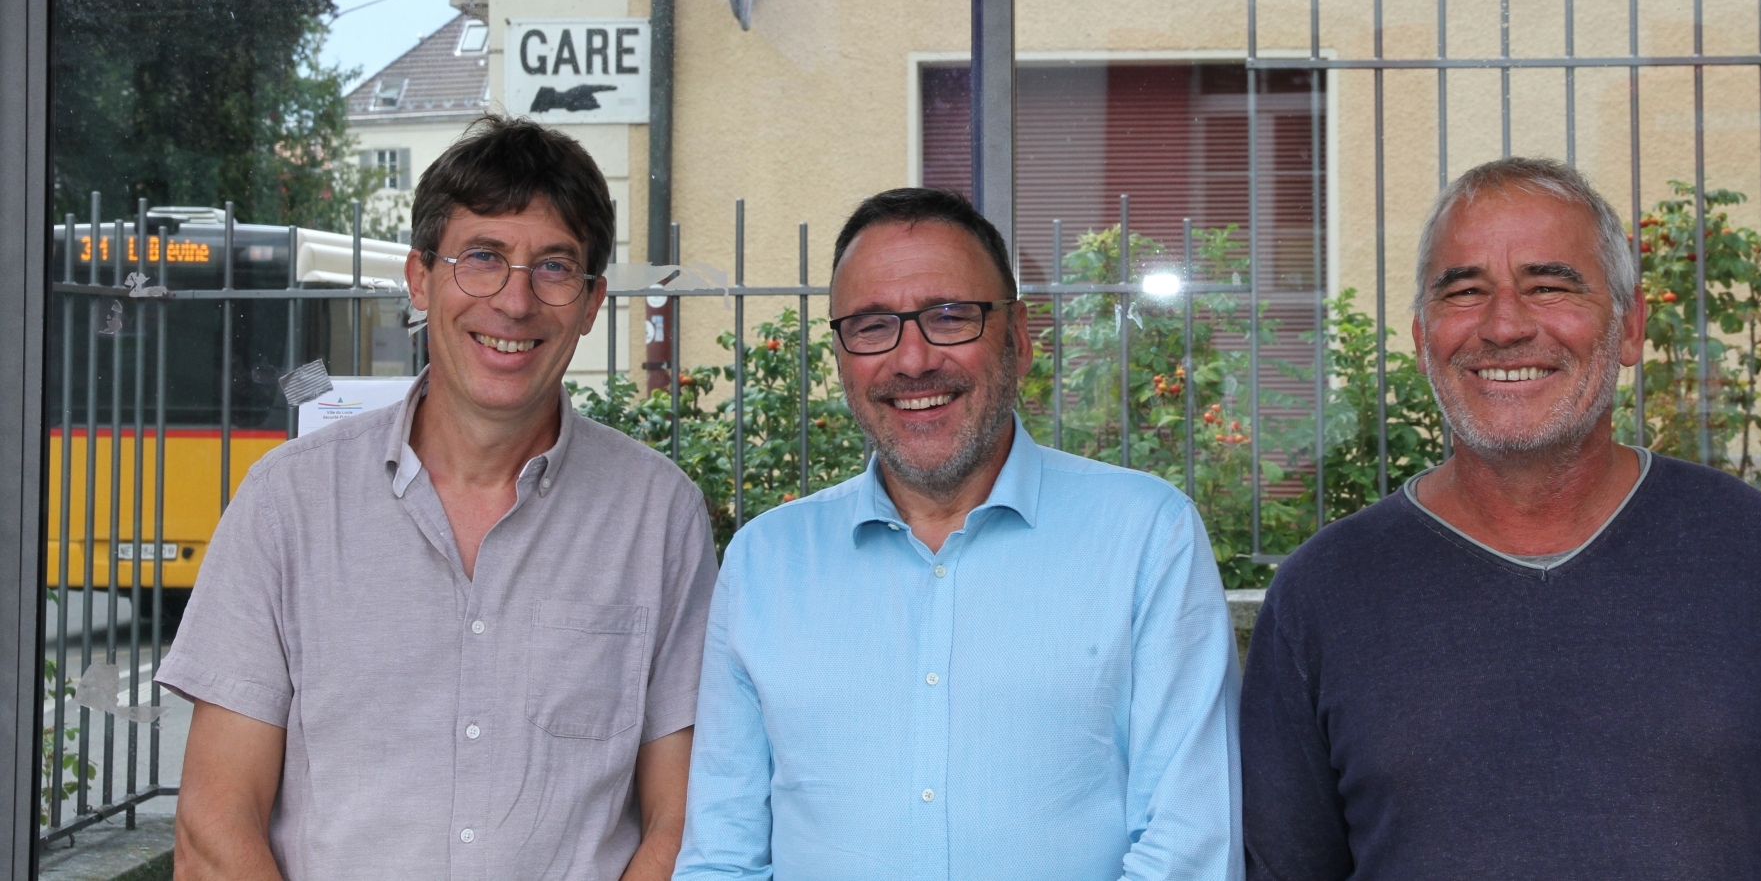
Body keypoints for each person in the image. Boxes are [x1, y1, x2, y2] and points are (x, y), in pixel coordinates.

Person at [1241, 156, 1761, 881]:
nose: (1504, 325)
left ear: (1629, 328)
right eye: (1465, 290)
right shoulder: (1325, 593)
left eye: (1549, 285)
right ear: (1420, 339)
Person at [160, 116, 717, 881]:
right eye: (482, 257)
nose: (515, 301)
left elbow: (680, 823)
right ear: (420, 278)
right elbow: (215, 827)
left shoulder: (659, 520)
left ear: (591, 303)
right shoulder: (288, 504)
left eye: (554, 267)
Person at [673, 187, 1242, 881]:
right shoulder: (765, 563)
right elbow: (722, 858)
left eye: (949, 316)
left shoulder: (1148, 536)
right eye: (874, 324)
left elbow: (1184, 850)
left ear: (1020, 337)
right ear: (842, 355)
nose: (912, 360)